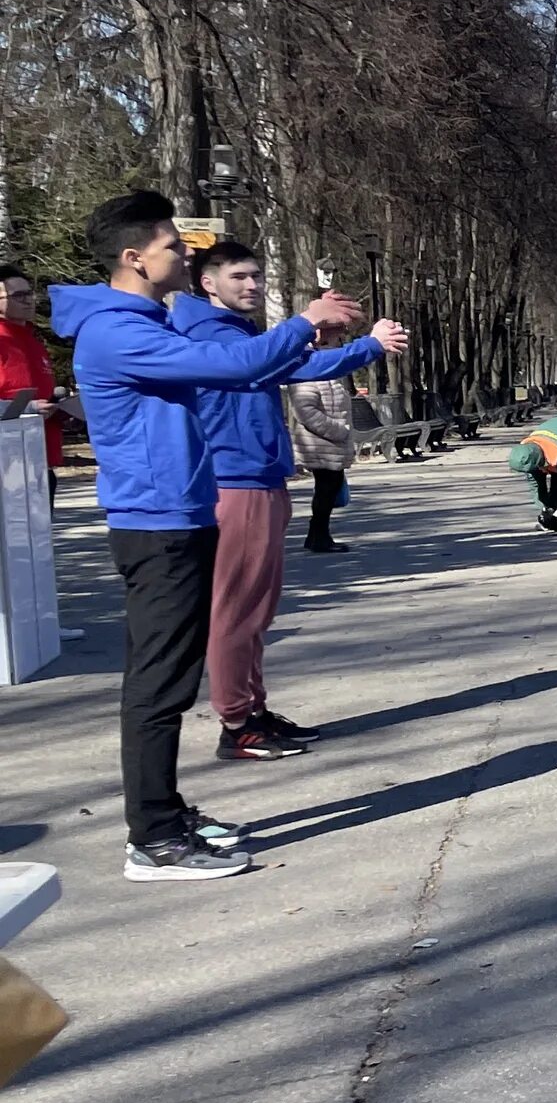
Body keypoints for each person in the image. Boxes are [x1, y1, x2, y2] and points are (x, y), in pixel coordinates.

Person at [53, 191, 361, 879]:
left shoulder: (146, 323)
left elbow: (245, 367)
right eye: (172, 246)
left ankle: (164, 812)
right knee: (159, 686)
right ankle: (153, 840)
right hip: (155, 525)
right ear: (134, 258)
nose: (182, 255)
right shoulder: (117, 332)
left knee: (169, 677)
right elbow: (235, 368)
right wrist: (308, 319)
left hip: (181, 515)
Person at [171, 240, 407, 759]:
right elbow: (281, 366)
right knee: (236, 612)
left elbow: (296, 365)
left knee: (257, 610)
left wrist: (347, 342)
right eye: (239, 277)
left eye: (256, 276)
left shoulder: (238, 332)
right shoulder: (208, 334)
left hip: (260, 479)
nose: (252, 285)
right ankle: (237, 724)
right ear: (208, 283)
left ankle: (252, 711)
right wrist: (352, 340)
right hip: (235, 481)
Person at [0, 267, 71, 498]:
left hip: (40, 461)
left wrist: (64, 413)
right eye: (17, 295)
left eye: (30, 293)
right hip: (7, 466)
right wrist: (29, 409)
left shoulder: (33, 340)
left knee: (39, 535)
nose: (28, 300)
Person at [287, 353, 356, 553]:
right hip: (319, 444)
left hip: (332, 444)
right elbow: (305, 411)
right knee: (326, 490)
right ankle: (319, 537)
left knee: (330, 489)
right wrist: (338, 430)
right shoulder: (305, 377)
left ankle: (317, 535)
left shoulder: (329, 376)